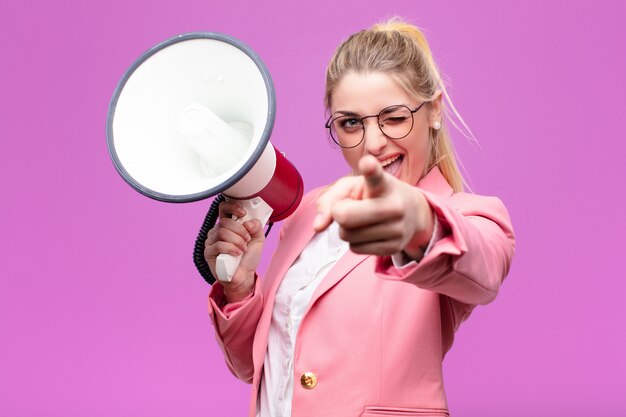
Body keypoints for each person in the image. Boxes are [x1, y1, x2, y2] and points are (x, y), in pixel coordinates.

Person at [204, 18, 515, 417]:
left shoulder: (467, 216)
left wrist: (416, 220)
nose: (373, 143)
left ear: (434, 110)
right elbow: (260, 368)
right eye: (351, 123)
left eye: (394, 117)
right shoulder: (308, 214)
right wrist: (240, 290)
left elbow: (483, 268)